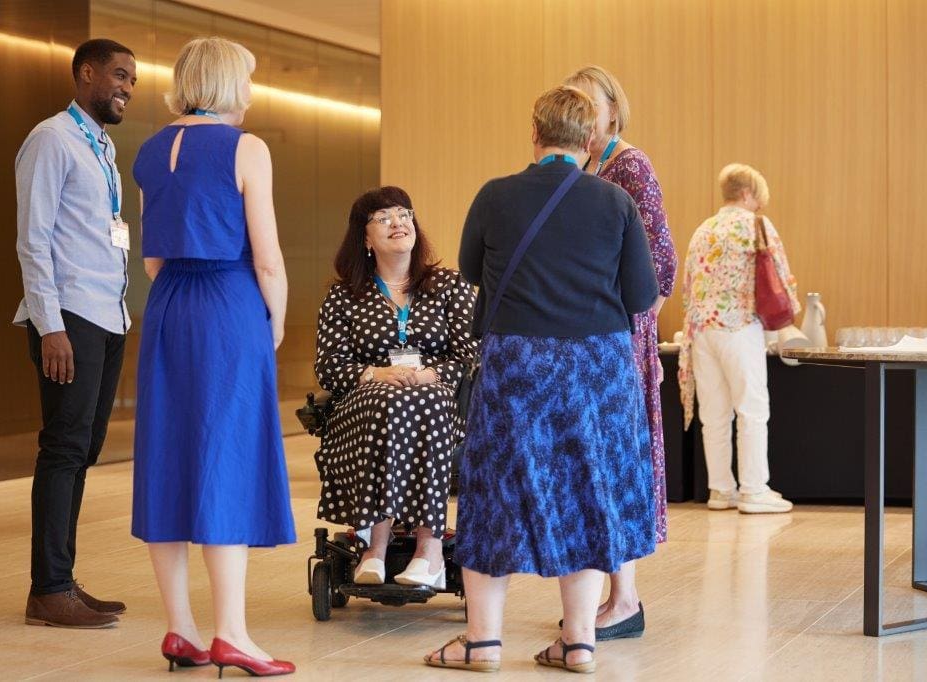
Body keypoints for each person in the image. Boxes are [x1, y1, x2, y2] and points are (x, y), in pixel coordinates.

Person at [425, 85, 658, 673]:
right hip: (597, 368)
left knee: (491, 491)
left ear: (535, 134)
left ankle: (482, 643)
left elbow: (474, 270)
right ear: (589, 140)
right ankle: (579, 640)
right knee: (584, 488)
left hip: (517, 361)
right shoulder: (614, 202)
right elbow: (641, 295)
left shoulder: (496, 195)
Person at [131, 37, 295, 676]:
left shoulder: (147, 150)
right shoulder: (247, 148)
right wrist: (274, 319)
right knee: (225, 454)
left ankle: (181, 631)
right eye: (249, 80)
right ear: (231, 84)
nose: (252, 93)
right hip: (228, 304)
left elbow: (149, 257)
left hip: (170, 305)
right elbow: (269, 257)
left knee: (168, 455)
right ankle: (233, 633)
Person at [14, 38, 137, 629]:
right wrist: (50, 325)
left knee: (81, 451)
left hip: (107, 315)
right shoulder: (50, 139)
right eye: (118, 75)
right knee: (63, 448)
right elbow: (32, 240)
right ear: (85, 73)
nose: (127, 89)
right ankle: (49, 588)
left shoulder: (102, 146)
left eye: (131, 80)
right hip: (69, 318)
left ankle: (61, 579)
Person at [563, 65, 678, 640]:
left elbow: (661, 266)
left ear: (613, 108)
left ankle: (624, 598)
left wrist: (622, 321)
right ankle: (612, 594)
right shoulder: (588, 167)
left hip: (618, 338)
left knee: (617, 467)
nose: (582, 110)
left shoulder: (631, 166)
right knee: (597, 468)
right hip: (592, 335)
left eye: (591, 101)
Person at [315, 186, 476, 588]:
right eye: (383, 217)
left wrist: (428, 375)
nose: (398, 222)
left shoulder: (448, 287)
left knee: (424, 398)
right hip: (365, 410)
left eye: (404, 214)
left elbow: (474, 355)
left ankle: (427, 550)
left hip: (438, 402)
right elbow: (329, 365)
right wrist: (375, 373)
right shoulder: (343, 295)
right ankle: (378, 548)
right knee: (390, 399)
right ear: (365, 238)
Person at [679, 163, 799, 514]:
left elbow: (687, 286)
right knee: (751, 409)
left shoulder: (704, 229)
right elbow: (781, 275)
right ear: (748, 193)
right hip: (740, 327)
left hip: (702, 332)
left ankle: (720, 490)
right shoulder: (755, 225)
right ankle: (753, 489)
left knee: (714, 415)